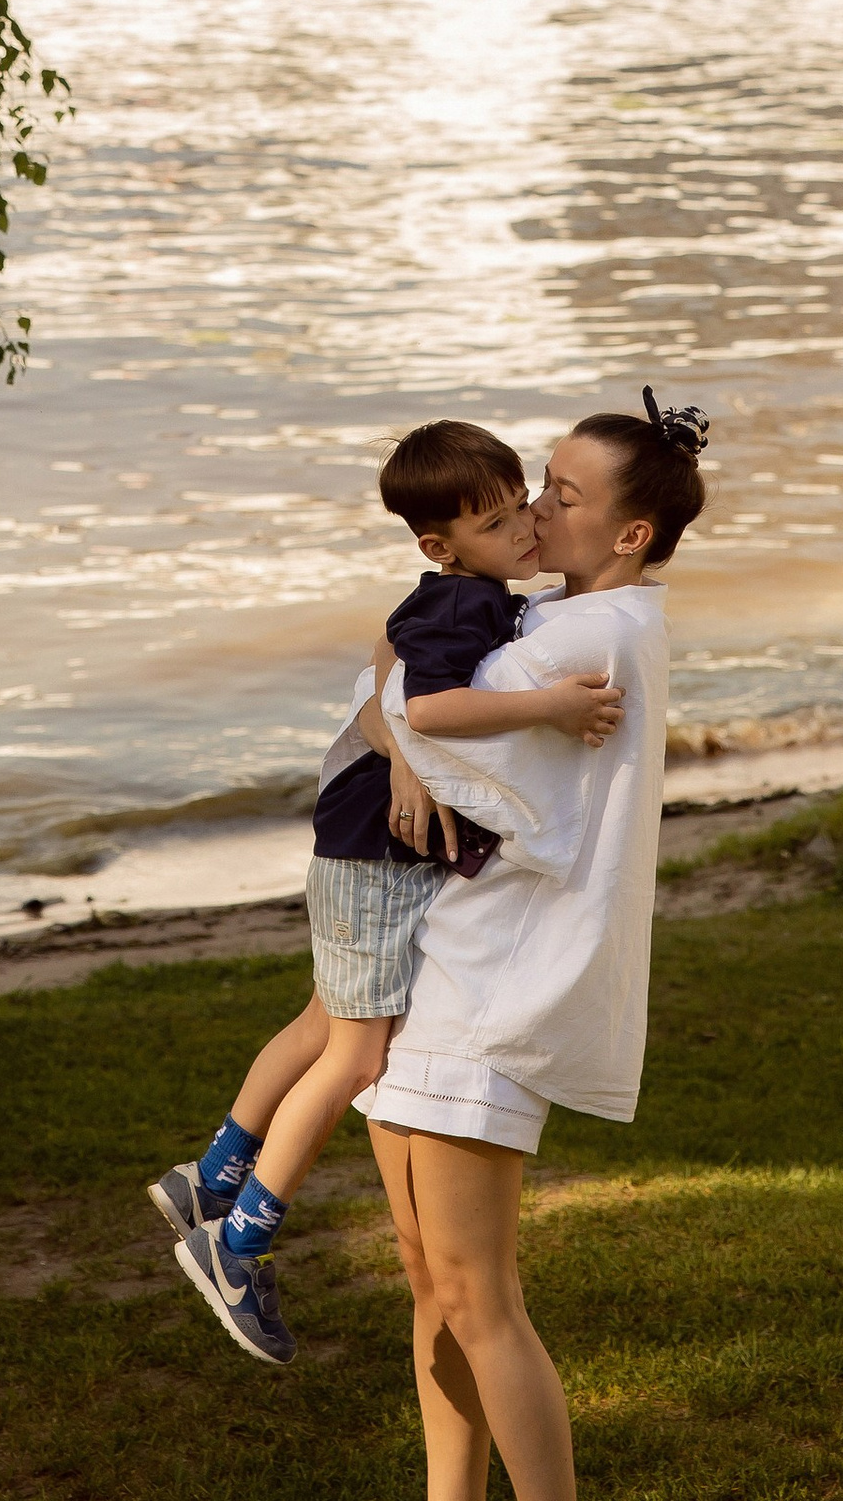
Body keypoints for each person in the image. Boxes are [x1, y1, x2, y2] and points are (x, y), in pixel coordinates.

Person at [337, 392, 707, 1501]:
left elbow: (400, 695)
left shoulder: (597, 630)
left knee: (478, 1294)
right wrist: (397, 725)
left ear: (630, 532)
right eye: (540, 483)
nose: (534, 506)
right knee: (428, 1278)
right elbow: (396, 688)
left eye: (563, 492)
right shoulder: (550, 614)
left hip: (498, 988)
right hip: (445, 965)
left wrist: (395, 726)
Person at [151, 419, 623, 1370]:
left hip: (359, 849)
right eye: (498, 523)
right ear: (442, 546)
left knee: (323, 1020)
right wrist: (552, 706)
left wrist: (406, 740)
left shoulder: (467, 591)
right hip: (374, 856)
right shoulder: (466, 601)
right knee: (357, 1055)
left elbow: (387, 653)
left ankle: (209, 1175)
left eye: (524, 505)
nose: (525, 529)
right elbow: (427, 700)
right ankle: (237, 1242)